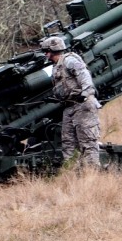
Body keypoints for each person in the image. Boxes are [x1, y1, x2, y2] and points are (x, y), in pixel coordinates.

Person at [43, 36, 102, 169]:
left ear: (53, 50)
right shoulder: (56, 67)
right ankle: (73, 174)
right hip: (69, 107)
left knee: (87, 141)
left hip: (82, 105)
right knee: (68, 143)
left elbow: (84, 76)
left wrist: (85, 94)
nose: (46, 54)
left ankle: (92, 175)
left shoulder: (70, 61)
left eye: (47, 51)